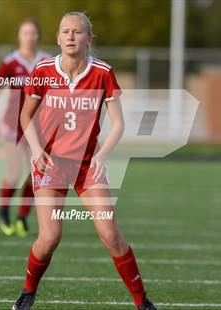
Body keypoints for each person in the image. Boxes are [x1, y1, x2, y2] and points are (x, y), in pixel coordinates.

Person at [12, 12, 156, 310]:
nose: (70, 36)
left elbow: (117, 124)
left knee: (110, 234)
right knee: (50, 237)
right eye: (65, 31)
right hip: (51, 163)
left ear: (89, 39)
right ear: (57, 38)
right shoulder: (42, 70)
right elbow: (25, 115)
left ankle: (142, 302)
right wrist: (37, 150)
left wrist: (101, 156)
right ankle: (27, 292)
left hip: (87, 165)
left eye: (77, 32)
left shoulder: (102, 72)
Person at [0, 18, 50, 237]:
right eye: (25, 33)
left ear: (38, 36)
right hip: (13, 126)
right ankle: (4, 211)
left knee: (37, 174)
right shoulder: (9, 62)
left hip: (39, 128)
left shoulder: (47, 62)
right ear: (19, 36)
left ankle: (22, 216)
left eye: (33, 33)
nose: (30, 37)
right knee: (14, 173)